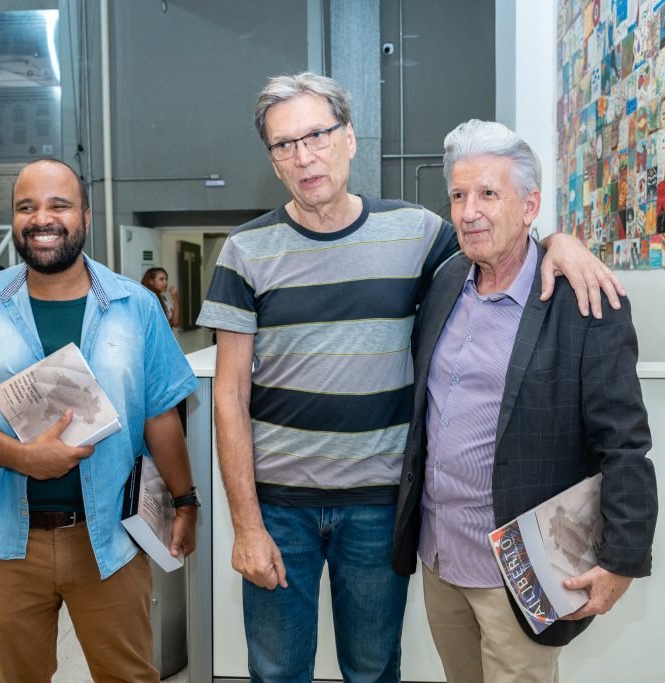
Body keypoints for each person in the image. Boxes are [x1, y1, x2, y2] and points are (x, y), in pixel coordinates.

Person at [196, 72, 626, 683]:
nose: (303, 156)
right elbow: (229, 394)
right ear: (272, 160)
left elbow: (498, 241)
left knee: (374, 670)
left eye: (316, 135)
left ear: (349, 138)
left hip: (380, 507)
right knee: (274, 671)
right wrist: (245, 525)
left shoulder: (417, 233)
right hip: (280, 506)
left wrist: (562, 241)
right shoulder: (244, 250)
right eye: (284, 145)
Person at [391, 120, 658, 683]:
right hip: (440, 560)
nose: (468, 211)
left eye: (489, 193)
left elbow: (625, 443)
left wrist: (621, 560)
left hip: (523, 573)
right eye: (459, 196)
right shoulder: (444, 283)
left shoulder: (584, 302)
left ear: (530, 204)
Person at [0, 159, 200, 683]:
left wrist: (185, 501)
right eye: (26, 207)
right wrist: (26, 458)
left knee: (129, 677)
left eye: (58, 205)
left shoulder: (133, 304)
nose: (41, 218)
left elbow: (161, 414)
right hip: (7, 541)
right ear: (13, 220)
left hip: (112, 541)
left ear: (85, 217)